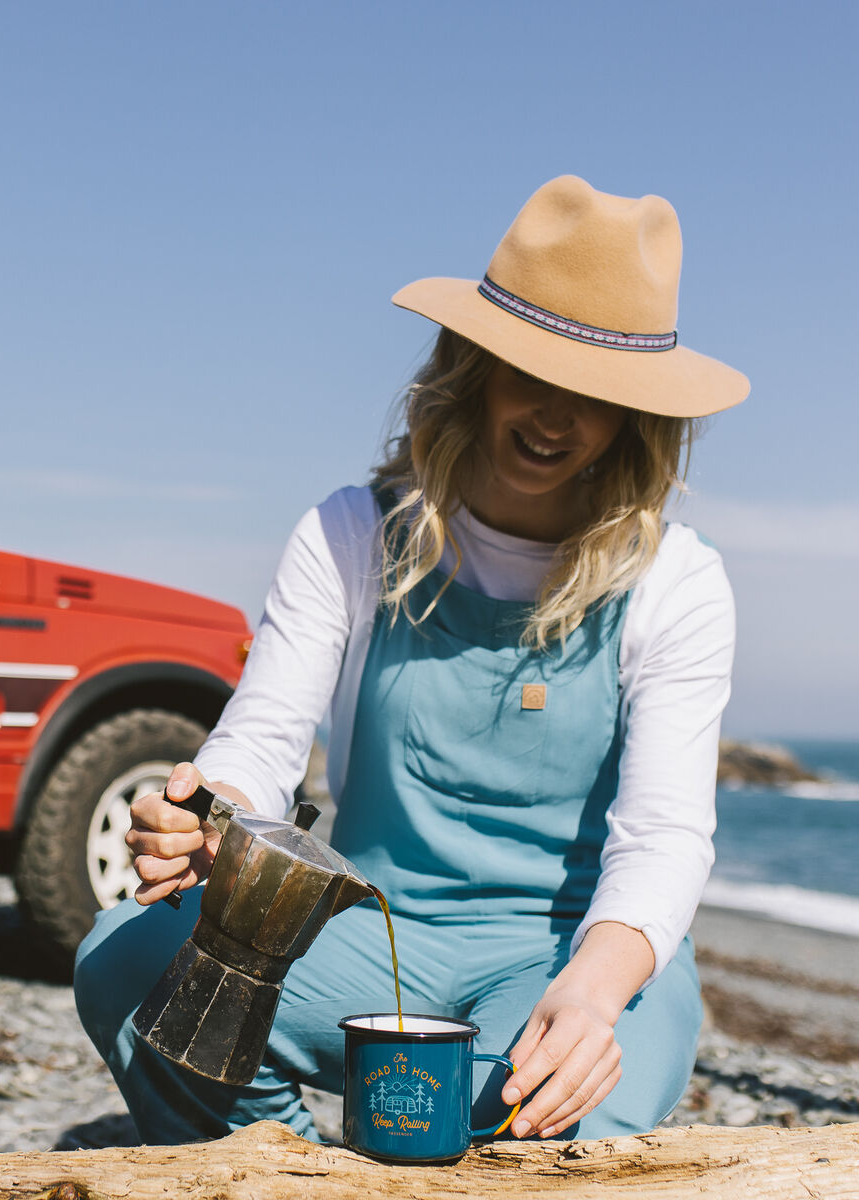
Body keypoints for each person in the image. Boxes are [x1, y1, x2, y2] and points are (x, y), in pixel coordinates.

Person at [74, 175, 748, 1145]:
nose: (556, 417)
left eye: (596, 393)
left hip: (571, 951)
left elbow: (664, 835)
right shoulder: (350, 532)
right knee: (126, 961)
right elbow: (264, 737)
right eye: (531, 370)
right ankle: (284, 1172)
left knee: (561, 1103)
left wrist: (595, 994)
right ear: (472, 362)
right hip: (365, 933)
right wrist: (206, 814)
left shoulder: (677, 580)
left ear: (636, 414)